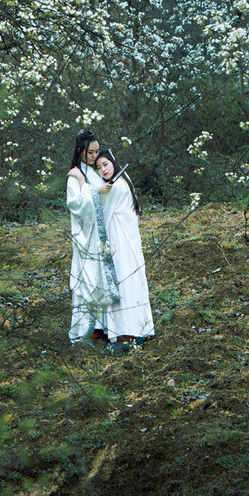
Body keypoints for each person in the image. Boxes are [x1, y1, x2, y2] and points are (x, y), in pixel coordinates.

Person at [95, 148, 155, 349]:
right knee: (131, 282)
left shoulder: (117, 187)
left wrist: (93, 192)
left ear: (113, 162)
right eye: (98, 167)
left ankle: (127, 333)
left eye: (105, 164)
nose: (103, 170)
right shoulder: (122, 181)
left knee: (123, 283)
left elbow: (101, 213)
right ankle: (138, 328)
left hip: (121, 243)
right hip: (127, 242)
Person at [66, 129, 119, 345]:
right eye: (91, 152)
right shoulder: (75, 175)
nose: (95, 156)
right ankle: (83, 329)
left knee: (100, 277)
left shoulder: (94, 171)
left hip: (100, 233)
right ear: (80, 151)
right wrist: (96, 192)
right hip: (86, 235)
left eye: (97, 152)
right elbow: (75, 204)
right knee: (87, 278)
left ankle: (101, 326)